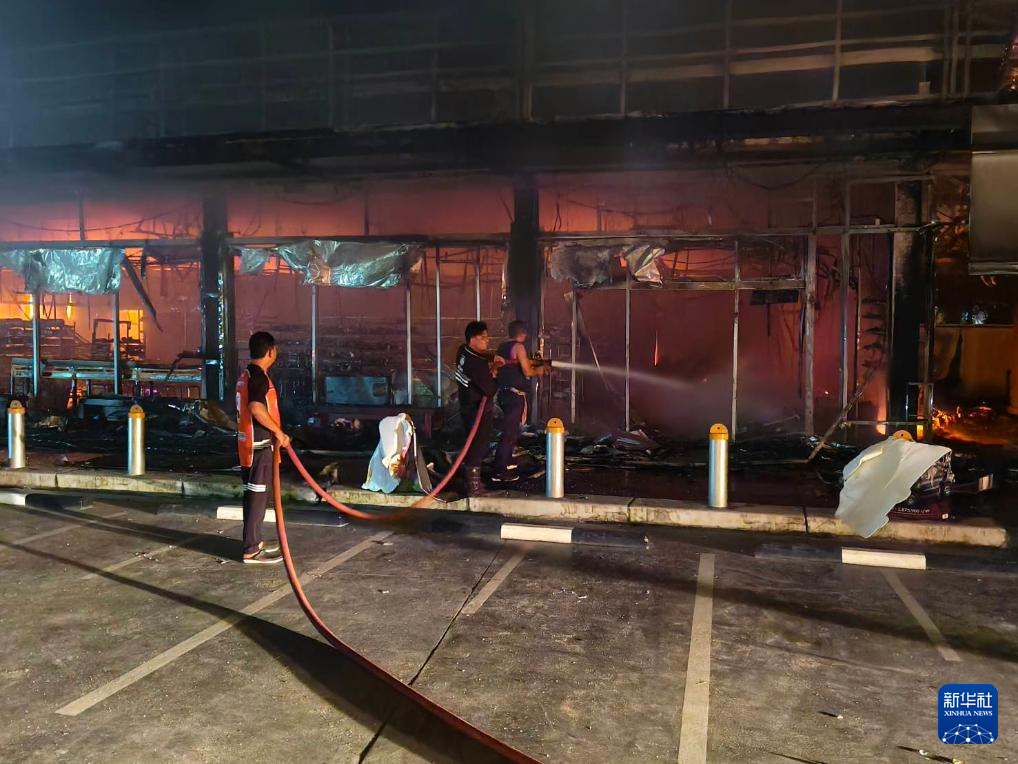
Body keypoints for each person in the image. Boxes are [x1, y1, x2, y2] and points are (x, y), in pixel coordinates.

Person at [235, 331, 291, 564]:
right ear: (270, 351)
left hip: (248, 445)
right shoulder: (258, 377)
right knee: (257, 497)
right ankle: (251, 550)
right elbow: (257, 409)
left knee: (254, 496)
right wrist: (279, 433)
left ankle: (254, 541)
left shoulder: (247, 374)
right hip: (258, 447)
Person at [492, 321, 548, 482]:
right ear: (523, 333)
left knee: (513, 430)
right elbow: (527, 371)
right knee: (510, 432)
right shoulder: (519, 347)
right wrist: (539, 370)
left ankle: (507, 460)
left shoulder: (502, 347)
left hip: (504, 394)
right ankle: (499, 470)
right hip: (514, 396)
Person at [454, 321, 500, 496]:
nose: (487, 340)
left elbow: (481, 357)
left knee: (473, 443)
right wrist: (494, 371)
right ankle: (473, 486)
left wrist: (492, 358)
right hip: (477, 409)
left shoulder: (463, 351)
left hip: (466, 404)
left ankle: (472, 481)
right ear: (472, 338)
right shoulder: (476, 364)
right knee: (478, 445)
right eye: (483, 337)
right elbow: (490, 389)